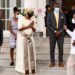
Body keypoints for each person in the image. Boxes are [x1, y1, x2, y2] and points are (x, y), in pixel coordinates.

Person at [15, 8, 36, 74]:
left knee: (31, 53)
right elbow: (19, 28)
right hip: (23, 39)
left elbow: (34, 30)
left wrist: (32, 26)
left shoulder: (32, 20)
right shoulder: (21, 18)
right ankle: (24, 69)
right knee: (23, 53)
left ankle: (31, 68)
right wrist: (29, 26)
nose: (26, 14)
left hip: (30, 38)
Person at [47, 2, 66, 67]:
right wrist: (55, 31)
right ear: (53, 7)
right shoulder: (49, 15)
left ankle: (60, 62)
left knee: (61, 48)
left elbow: (64, 24)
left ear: (59, 7)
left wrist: (60, 31)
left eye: (58, 6)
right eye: (55, 6)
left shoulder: (62, 14)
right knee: (52, 48)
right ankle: (52, 62)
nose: (57, 7)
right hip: (52, 34)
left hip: (61, 34)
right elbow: (48, 25)